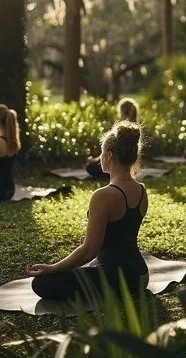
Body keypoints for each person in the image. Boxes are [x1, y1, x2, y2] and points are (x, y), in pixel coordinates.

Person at [28, 120, 149, 300]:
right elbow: (120, 235)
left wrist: (52, 268)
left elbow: (89, 251)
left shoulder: (103, 195)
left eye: (100, 152)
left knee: (42, 283)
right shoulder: (141, 190)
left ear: (108, 155)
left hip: (117, 279)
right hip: (140, 275)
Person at [85, 97, 139, 179]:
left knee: (90, 166)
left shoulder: (120, 129)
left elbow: (111, 149)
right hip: (128, 166)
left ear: (122, 111)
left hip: (115, 163)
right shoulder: (136, 129)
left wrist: (95, 160)